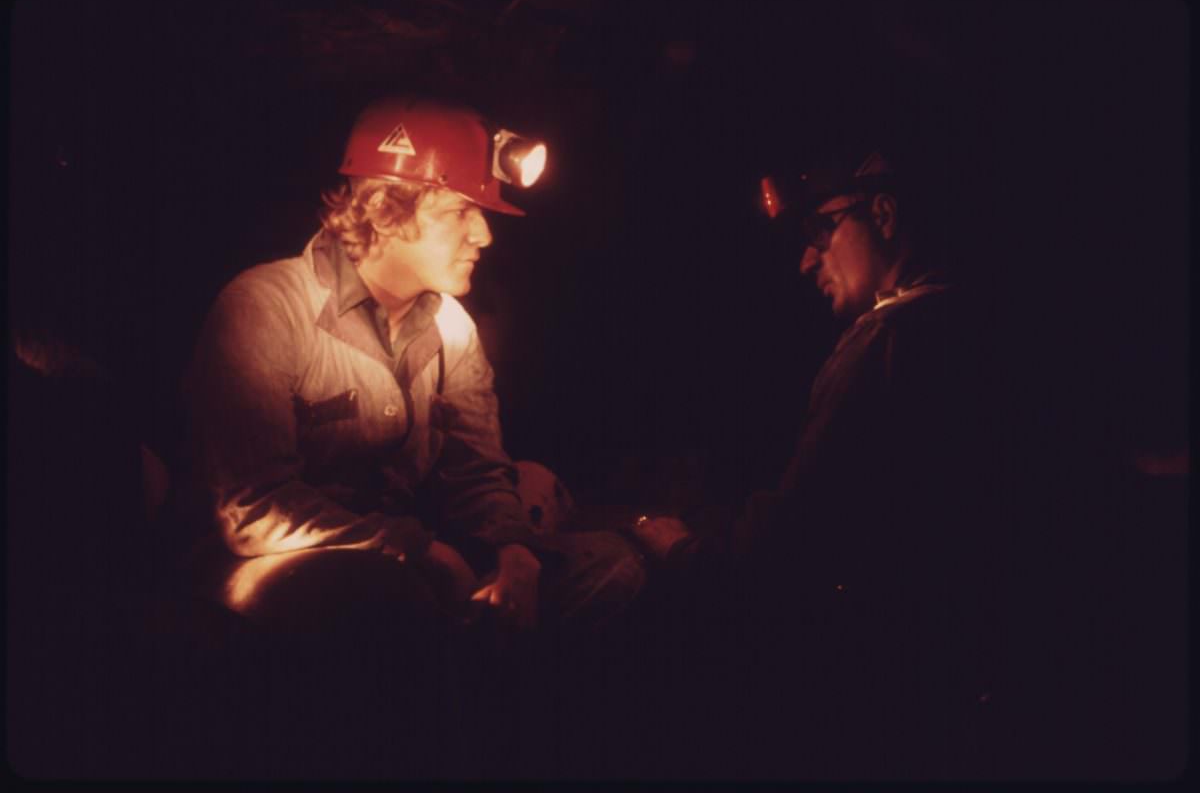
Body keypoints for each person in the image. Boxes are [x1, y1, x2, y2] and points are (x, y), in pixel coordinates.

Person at [179, 95, 646, 649]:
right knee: (386, 597)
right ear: (382, 211)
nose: (484, 235)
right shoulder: (266, 308)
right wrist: (418, 550)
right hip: (271, 569)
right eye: (459, 213)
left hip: (408, 562)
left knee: (612, 565)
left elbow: (477, 473)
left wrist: (514, 552)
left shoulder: (452, 327)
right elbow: (254, 509)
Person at [627, 147, 1011, 778]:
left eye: (820, 230)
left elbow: (793, 541)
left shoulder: (888, 340)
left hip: (892, 693)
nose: (807, 260)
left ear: (882, 214)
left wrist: (680, 550)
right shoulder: (981, 324)